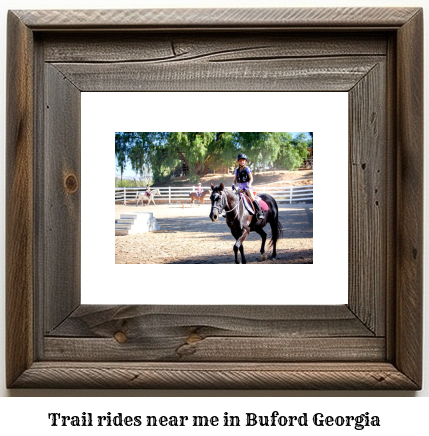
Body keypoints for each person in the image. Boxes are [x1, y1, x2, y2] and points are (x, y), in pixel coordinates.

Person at [233, 153, 264, 219]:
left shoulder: (247, 169)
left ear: (245, 161)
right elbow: (234, 180)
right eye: (240, 161)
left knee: (252, 198)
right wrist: (233, 185)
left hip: (247, 188)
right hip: (239, 188)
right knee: (233, 199)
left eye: (243, 160)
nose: (242, 162)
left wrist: (247, 186)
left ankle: (260, 212)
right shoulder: (237, 171)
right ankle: (231, 213)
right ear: (238, 162)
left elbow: (251, 179)